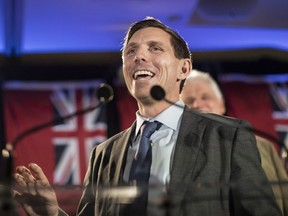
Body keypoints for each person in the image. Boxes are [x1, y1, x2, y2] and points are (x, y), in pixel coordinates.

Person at [13, 17, 281, 216]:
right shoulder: (104, 154)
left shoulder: (227, 136)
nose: (139, 56)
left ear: (183, 68)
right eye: (131, 51)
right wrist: (51, 212)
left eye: (155, 48)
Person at [180, 69, 288, 215]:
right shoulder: (173, 152)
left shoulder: (262, 145)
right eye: (189, 101)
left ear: (222, 105)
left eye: (205, 97)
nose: (198, 104)